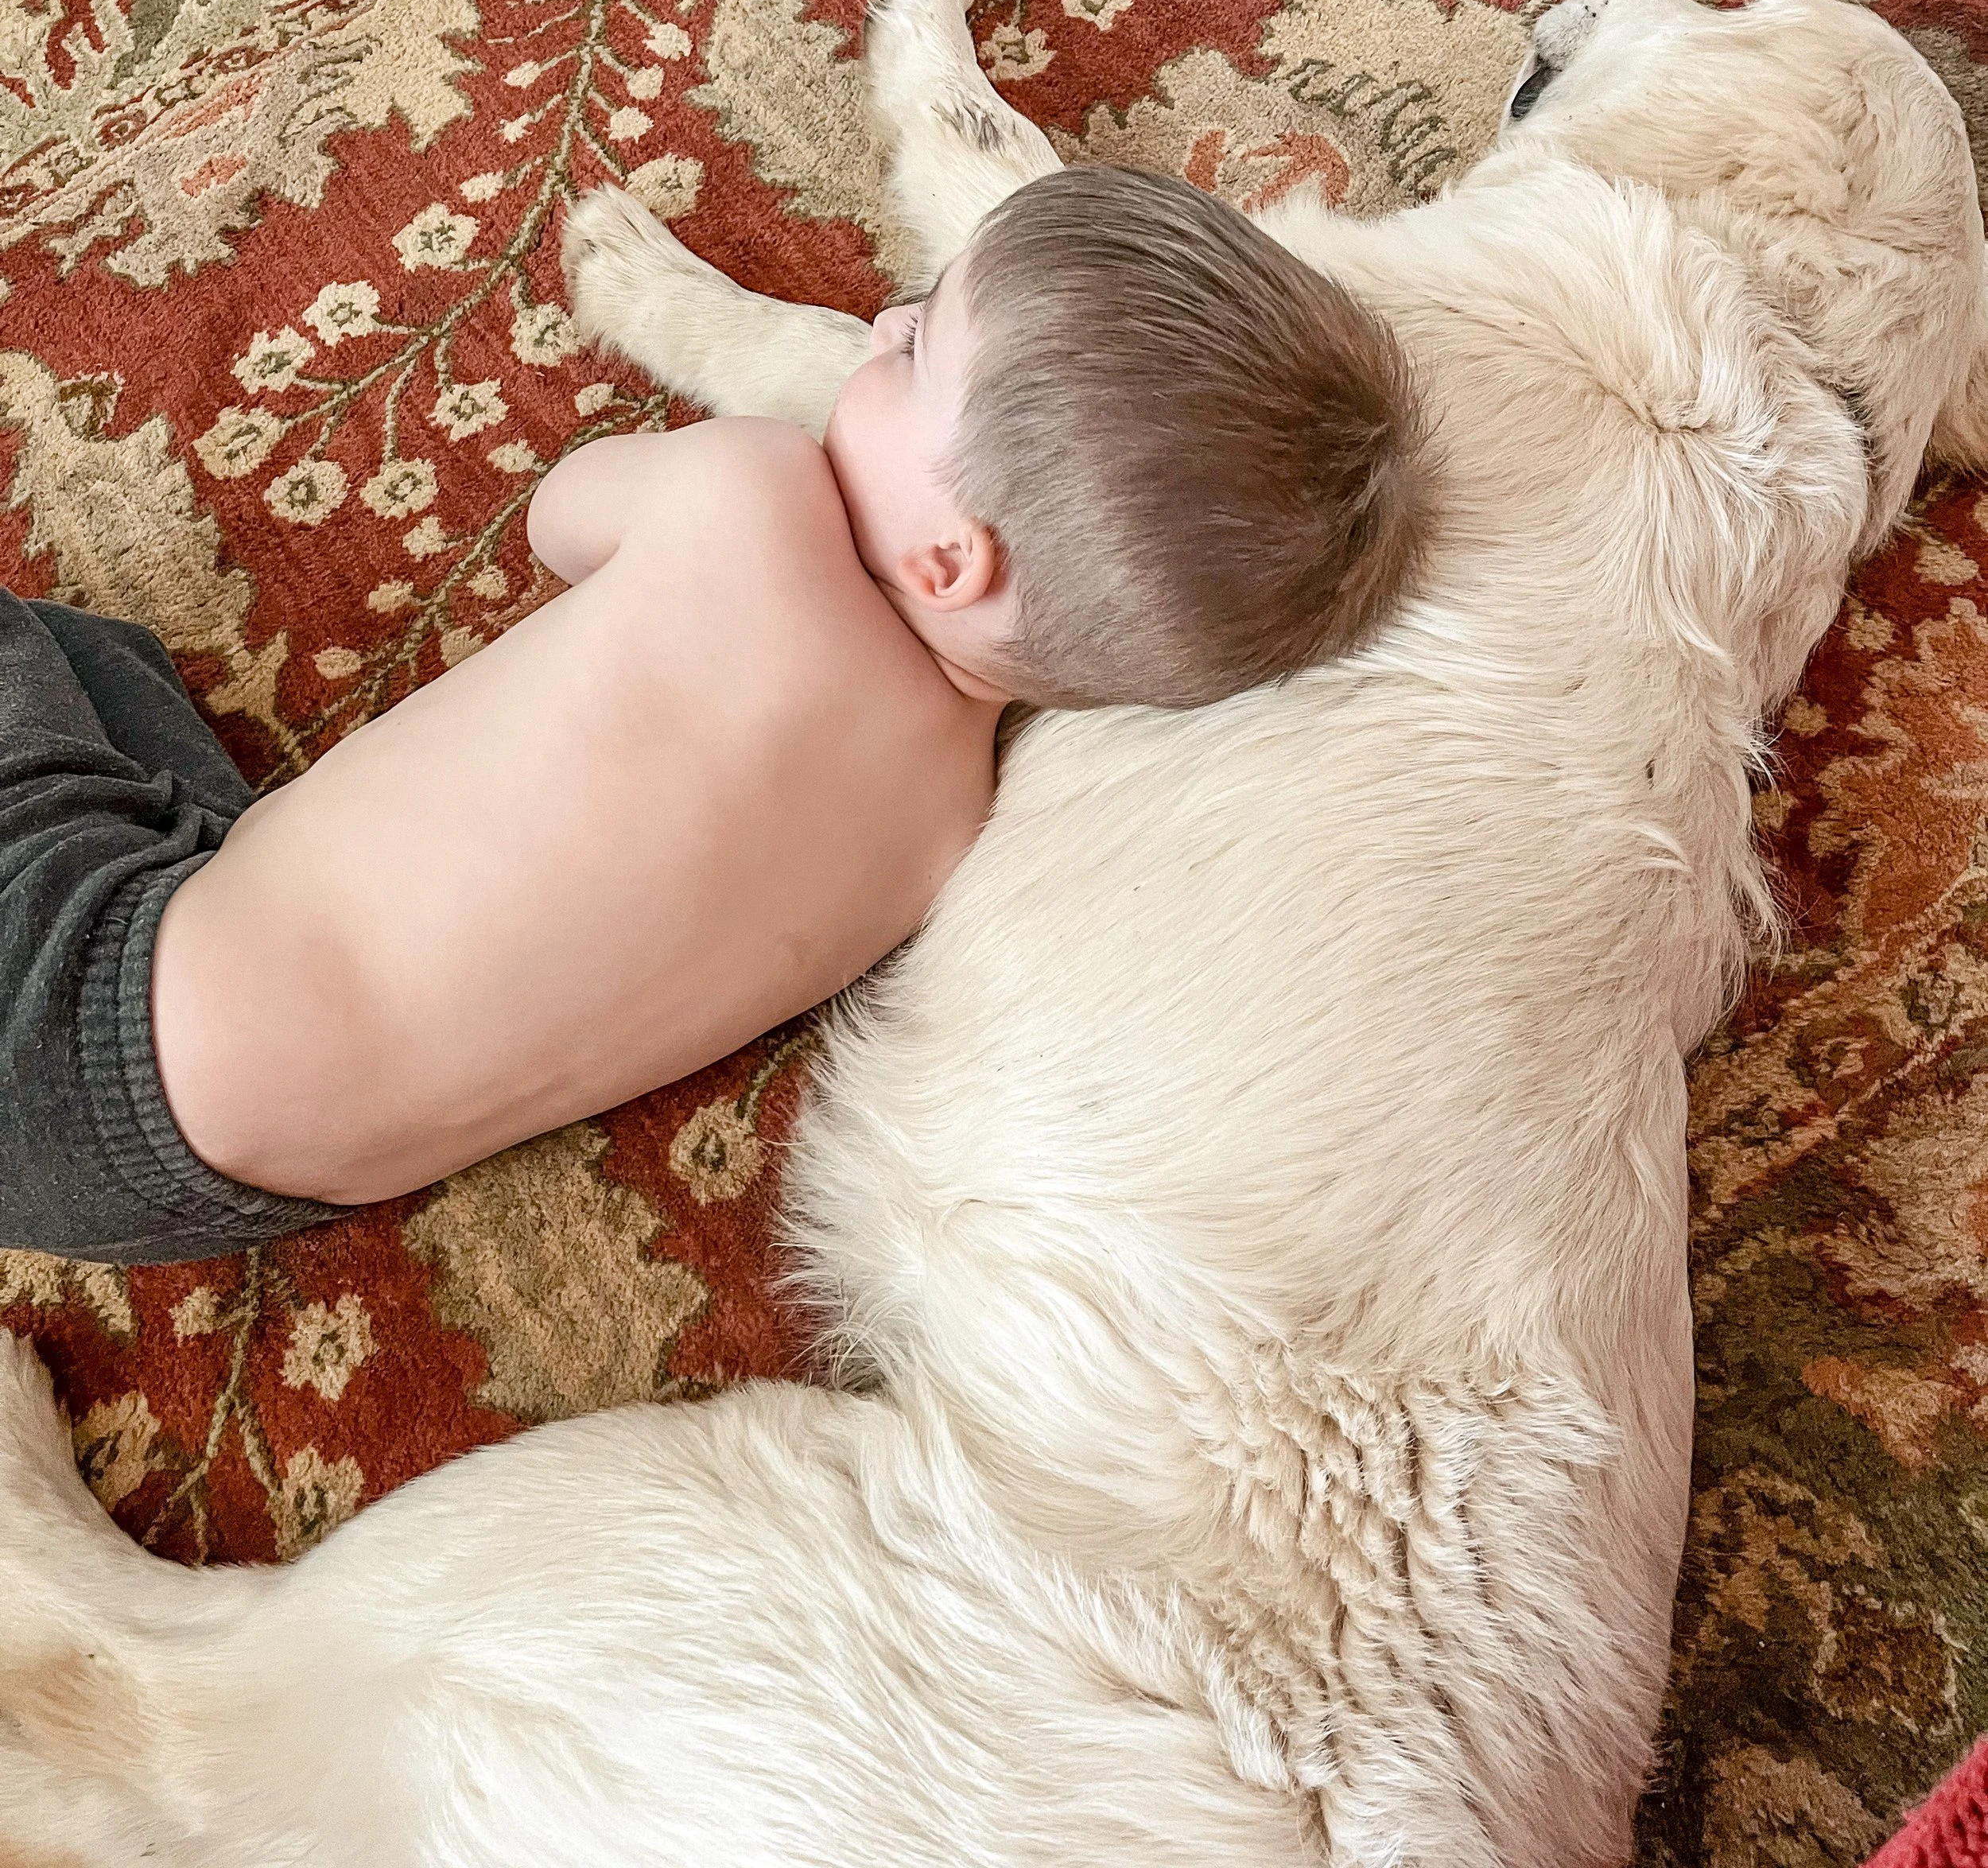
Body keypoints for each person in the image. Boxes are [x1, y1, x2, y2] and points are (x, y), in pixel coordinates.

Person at [0, 165, 1425, 1264]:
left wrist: (719, 486)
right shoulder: (942, 828)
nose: (882, 320)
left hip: (67, 1009)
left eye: (918, 353)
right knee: (97, 667)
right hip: (236, 1187)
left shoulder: (753, 496)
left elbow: (563, 522)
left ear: (952, 558)